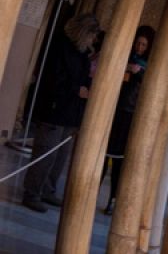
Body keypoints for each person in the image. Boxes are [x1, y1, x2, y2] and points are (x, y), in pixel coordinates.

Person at [22, 14, 98, 212]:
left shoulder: (81, 52)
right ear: (84, 32)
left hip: (70, 113)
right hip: (54, 109)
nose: (93, 40)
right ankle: (32, 193)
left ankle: (48, 189)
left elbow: (82, 76)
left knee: (60, 155)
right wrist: (76, 89)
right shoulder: (60, 46)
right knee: (45, 153)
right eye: (91, 35)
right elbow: (53, 78)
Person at [103, 24, 153, 214]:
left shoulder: (148, 65)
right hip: (113, 111)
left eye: (143, 45)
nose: (139, 48)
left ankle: (113, 199)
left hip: (128, 115)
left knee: (119, 161)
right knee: (102, 155)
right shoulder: (127, 56)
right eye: (137, 44)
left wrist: (138, 72)